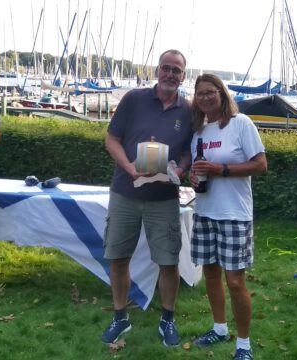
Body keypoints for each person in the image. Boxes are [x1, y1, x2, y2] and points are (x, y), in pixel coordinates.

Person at [101, 49, 192, 347]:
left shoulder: (188, 111)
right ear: (156, 70)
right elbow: (111, 138)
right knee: (118, 256)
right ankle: (120, 316)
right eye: (166, 68)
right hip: (125, 193)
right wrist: (129, 169)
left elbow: (189, 151)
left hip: (164, 198)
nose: (170, 74)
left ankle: (167, 319)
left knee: (168, 261)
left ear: (183, 75)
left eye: (176, 70)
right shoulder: (133, 99)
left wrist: (180, 168)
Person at [189, 74, 267, 360]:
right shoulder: (198, 131)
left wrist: (220, 170)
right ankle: (219, 328)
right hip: (205, 211)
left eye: (211, 92)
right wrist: (193, 179)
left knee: (235, 281)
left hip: (234, 214)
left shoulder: (240, 124)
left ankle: (244, 345)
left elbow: (261, 165)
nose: (206, 98)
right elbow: (197, 170)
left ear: (222, 94)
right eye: (200, 94)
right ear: (195, 99)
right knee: (210, 274)